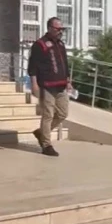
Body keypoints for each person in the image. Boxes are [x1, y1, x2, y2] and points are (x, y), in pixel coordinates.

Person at [27, 17, 71, 157]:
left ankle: (41, 133)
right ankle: (46, 144)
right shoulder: (40, 45)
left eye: (62, 29)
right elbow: (32, 66)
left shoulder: (61, 44)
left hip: (61, 85)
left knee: (63, 113)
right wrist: (34, 84)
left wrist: (68, 81)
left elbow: (65, 63)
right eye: (58, 29)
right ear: (50, 28)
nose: (60, 32)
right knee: (48, 115)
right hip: (47, 85)